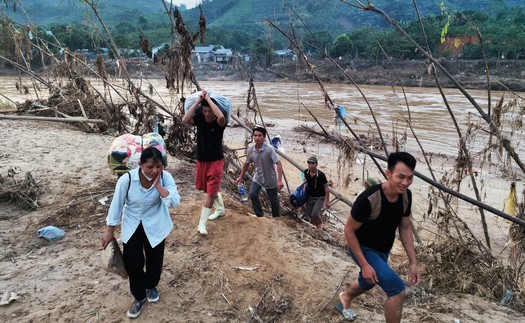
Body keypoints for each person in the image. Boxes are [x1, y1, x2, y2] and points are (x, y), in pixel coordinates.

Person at [339, 151, 421, 322]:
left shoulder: (406, 196)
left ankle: (345, 297)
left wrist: (413, 262)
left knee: (369, 281)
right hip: (363, 248)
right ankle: (349, 293)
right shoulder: (369, 199)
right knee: (397, 290)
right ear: (388, 173)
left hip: (383, 249)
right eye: (401, 177)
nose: (405, 183)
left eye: (410, 178)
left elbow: (405, 227)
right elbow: (349, 230)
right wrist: (365, 264)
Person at [101, 147, 181, 319]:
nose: (154, 171)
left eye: (158, 166)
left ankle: (151, 285)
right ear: (140, 165)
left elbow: (174, 202)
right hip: (133, 223)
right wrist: (110, 230)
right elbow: (117, 204)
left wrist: (157, 185)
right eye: (150, 167)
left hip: (156, 222)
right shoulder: (126, 180)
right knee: (133, 262)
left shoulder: (165, 178)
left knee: (155, 259)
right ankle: (139, 296)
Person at [182, 90, 226, 235]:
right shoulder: (200, 119)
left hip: (216, 160)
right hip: (202, 159)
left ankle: (202, 225)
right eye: (205, 111)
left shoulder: (220, 123)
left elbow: (220, 116)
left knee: (211, 191)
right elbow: (185, 120)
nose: (207, 114)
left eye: (209, 111)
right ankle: (220, 209)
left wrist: (209, 99)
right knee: (208, 189)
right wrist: (198, 102)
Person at [237, 126, 284, 217]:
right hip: (258, 176)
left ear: (264, 137)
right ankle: (259, 215)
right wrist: (241, 176)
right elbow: (246, 163)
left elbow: (279, 163)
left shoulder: (269, 149)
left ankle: (276, 218)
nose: (257, 138)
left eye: (259, 136)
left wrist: (279, 180)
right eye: (255, 136)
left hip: (270, 177)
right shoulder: (251, 150)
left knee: (273, 199)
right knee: (252, 194)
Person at [302, 156, 330, 231]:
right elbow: (302, 174)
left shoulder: (321, 175)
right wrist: (303, 180)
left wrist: (327, 201)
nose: (311, 165)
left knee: (314, 214)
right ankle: (318, 225)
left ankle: (320, 224)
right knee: (308, 214)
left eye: (313, 163)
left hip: (319, 197)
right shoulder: (306, 172)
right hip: (310, 196)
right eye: (309, 163)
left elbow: (326, 188)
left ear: (316, 164)